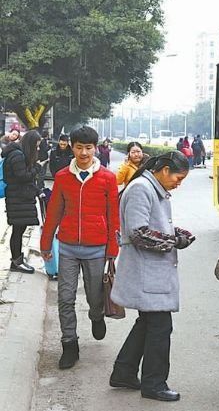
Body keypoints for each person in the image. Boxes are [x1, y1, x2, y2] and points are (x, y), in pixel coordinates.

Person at [110, 151, 194, 402]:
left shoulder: (151, 188)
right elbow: (139, 233)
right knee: (160, 327)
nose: (179, 183)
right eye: (178, 178)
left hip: (152, 271)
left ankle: (123, 372)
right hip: (147, 271)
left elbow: (155, 226)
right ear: (164, 170)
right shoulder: (141, 188)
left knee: (148, 323)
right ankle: (154, 383)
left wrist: (178, 233)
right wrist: (174, 241)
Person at [39, 126, 120, 370]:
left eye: (88, 147)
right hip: (68, 247)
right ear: (72, 147)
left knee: (95, 296)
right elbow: (53, 212)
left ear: (95, 148)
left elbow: (113, 216)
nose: (83, 152)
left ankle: (96, 317)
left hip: (97, 248)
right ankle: (69, 344)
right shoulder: (63, 176)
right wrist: (45, 243)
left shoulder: (107, 178)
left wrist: (112, 248)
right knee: (65, 297)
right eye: (79, 147)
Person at [1, 130, 42, 273]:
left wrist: (38, 191)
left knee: (19, 229)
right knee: (17, 230)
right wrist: (37, 168)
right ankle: (16, 262)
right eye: (36, 146)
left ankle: (17, 259)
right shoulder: (17, 156)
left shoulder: (19, 154)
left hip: (19, 198)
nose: (37, 149)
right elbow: (22, 176)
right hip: (16, 198)